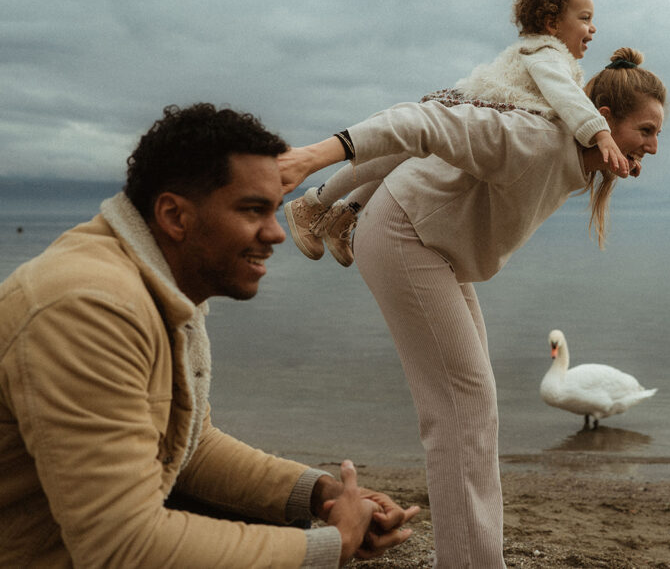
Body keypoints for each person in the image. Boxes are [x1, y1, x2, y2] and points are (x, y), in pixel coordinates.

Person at [278, 48, 666, 567]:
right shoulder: (536, 139)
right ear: (603, 117)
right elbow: (423, 120)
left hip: (432, 247)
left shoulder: (571, 160)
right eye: (646, 130)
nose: (654, 146)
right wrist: (313, 161)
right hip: (403, 235)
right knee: (461, 408)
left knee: (475, 408)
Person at [0, 103, 418, 568]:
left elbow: (190, 447)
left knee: (280, 519)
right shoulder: (87, 307)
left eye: (276, 210)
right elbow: (121, 547)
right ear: (175, 216)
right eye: (253, 211)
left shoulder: (158, 284)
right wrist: (331, 545)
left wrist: (322, 494)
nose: (276, 234)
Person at [283, 0, 630, 267]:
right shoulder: (547, 53)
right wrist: (600, 133)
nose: (593, 28)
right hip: (473, 109)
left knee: (398, 160)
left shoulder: (549, 55)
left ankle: (344, 215)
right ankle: (314, 204)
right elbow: (565, 96)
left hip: (481, 115)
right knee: (391, 152)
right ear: (552, 23)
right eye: (584, 18)